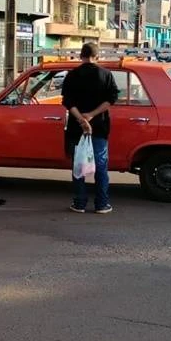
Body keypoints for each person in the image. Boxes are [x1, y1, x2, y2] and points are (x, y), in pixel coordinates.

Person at [61, 42, 119, 214]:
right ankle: (102, 204)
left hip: (77, 129)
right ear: (97, 56)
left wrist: (81, 119)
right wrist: (91, 115)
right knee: (100, 167)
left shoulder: (72, 75)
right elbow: (111, 99)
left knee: (78, 165)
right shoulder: (106, 75)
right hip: (99, 127)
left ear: (81, 56)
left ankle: (79, 203)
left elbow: (67, 101)